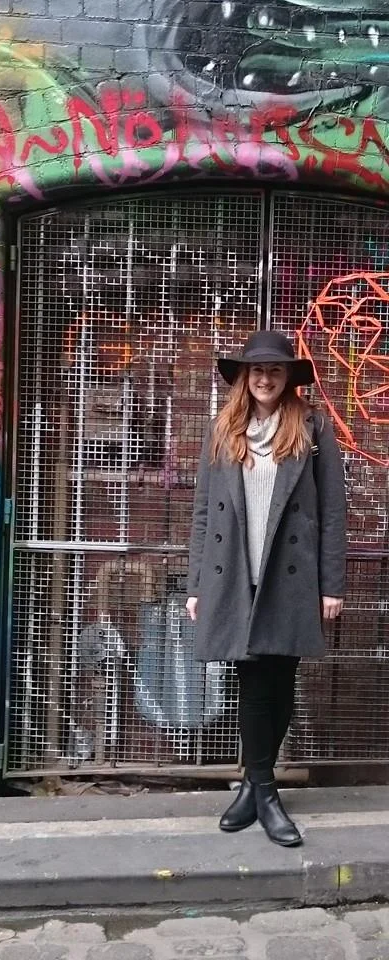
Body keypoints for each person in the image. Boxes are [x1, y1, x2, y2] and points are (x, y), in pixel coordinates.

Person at [186, 330, 347, 847]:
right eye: (257, 370)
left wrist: (331, 585)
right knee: (254, 685)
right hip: (235, 577)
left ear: (287, 378)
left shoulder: (312, 428)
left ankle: (252, 789)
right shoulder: (223, 430)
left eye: (275, 370)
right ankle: (266, 793)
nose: (265, 378)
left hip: (290, 578)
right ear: (243, 377)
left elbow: (332, 513)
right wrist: (196, 584)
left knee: (280, 684)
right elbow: (203, 513)